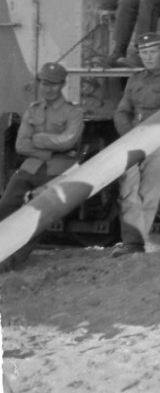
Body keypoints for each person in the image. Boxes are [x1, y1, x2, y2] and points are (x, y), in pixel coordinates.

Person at [111, 32, 160, 256]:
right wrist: (130, 135)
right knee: (128, 192)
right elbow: (122, 112)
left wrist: (157, 136)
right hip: (134, 140)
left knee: (150, 194)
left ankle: (137, 243)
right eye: (144, 53)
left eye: (153, 52)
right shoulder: (134, 80)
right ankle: (132, 242)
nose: (148, 57)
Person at [0, 63, 83, 255]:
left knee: (37, 216)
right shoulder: (33, 111)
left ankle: (11, 261)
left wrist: (38, 139)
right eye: (45, 83)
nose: (49, 88)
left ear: (62, 85)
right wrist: (51, 151)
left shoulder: (74, 113)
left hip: (58, 171)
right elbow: (21, 145)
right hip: (31, 167)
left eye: (54, 84)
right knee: (6, 206)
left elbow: (68, 141)